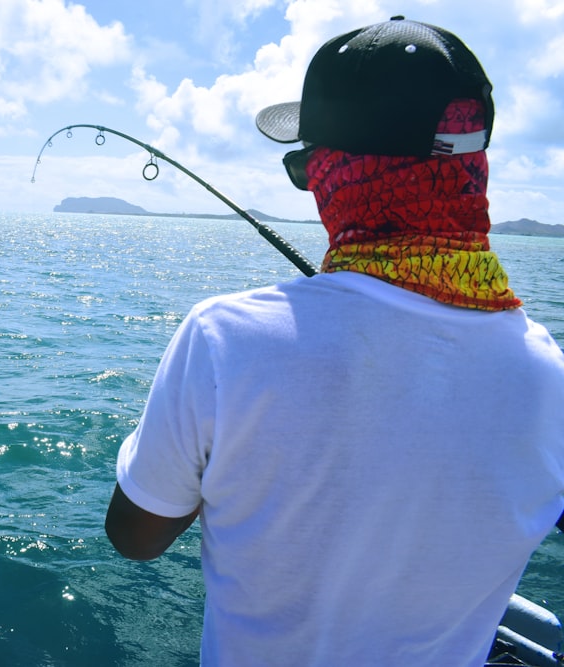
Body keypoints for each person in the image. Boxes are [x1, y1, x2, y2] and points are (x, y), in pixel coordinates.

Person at [105, 16, 564, 666]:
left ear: (338, 173)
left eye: (305, 163)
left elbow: (136, 534)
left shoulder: (223, 341)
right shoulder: (551, 379)